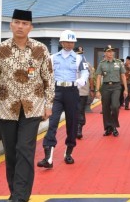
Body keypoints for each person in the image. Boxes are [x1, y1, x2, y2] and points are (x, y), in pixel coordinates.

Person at [0, 9, 55, 202]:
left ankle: (20, 198)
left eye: (24, 23)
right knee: (11, 154)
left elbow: (49, 79)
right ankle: (16, 194)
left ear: (31, 27)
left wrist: (49, 103)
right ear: (11, 25)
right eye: (17, 22)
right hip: (6, 109)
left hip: (33, 108)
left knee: (25, 150)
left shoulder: (41, 50)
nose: (20, 26)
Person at [37, 30, 89, 168]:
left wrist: (82, 80)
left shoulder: (79, 58)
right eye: (67, 41)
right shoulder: (53, 57)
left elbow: (85, 70)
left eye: (72, 42)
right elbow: (46, 74)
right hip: (57, 91)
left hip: (72, 91)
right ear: (61, 42)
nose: (70, 44)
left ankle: (68, 153)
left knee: (72, 124)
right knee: (52, 122)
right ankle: (48, 158)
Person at [95, 45, 128, 137]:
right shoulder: (102, 63)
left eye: (112, 51)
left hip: (116, 87)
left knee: (115, 106)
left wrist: (126, 89)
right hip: (105, 87)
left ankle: (114, 126)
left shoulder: (118, 62)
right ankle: (108, 128)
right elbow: (98, 77)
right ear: (105, 53)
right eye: (108, 51)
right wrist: (97, 90)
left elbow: (123, 76)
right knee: (105, 108)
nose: (110, 53)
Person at [76, 48, 95, 139]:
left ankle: (79, 128)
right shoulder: (70, 63)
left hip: (83, 91)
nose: (80, 56)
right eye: (78, 54)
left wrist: (92, 90)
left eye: (81, 54)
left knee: (80, 110)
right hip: (71, 90)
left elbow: (91, 78)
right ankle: (74, 128)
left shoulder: (87, 65)